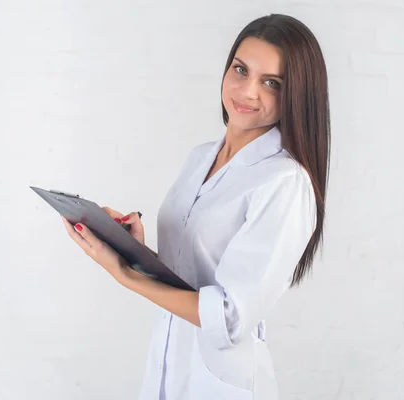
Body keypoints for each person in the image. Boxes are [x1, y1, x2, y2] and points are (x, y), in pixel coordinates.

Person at [61, 13, 330, 400]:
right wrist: (132, 251)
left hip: (220, 381)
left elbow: (229, 318)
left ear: (297, 96)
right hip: (168, 360)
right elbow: (187, 279)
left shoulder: (284, 182)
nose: (247, 90)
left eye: (271, 83)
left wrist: (125, 275)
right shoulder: (201, 157)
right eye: (240, 70)